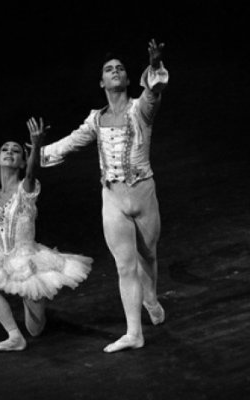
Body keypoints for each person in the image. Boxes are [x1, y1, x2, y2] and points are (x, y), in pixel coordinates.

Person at [40, 39, 169, 352]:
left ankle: (150, 297)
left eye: (120, 69)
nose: (116, 72)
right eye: (109, 70)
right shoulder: (95, 119)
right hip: (112, 199)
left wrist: (153, 65)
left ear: (127, 79)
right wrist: (37, 153)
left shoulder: (140, 111)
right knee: (125, 266)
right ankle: (134, 333)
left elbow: (153, 94)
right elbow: (70, 142)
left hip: (143, 194)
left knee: (148, 255)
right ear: (101, 81)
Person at [0, 117, 93, 352]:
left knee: (35, 328)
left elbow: (32, 173)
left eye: (16, 151)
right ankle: (14, 336)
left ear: (22, 162)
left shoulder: (26, 189)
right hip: (1, 255)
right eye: (5, 149)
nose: (10, 152)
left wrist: (36, 143)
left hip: (28, 260)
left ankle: (35, 302)